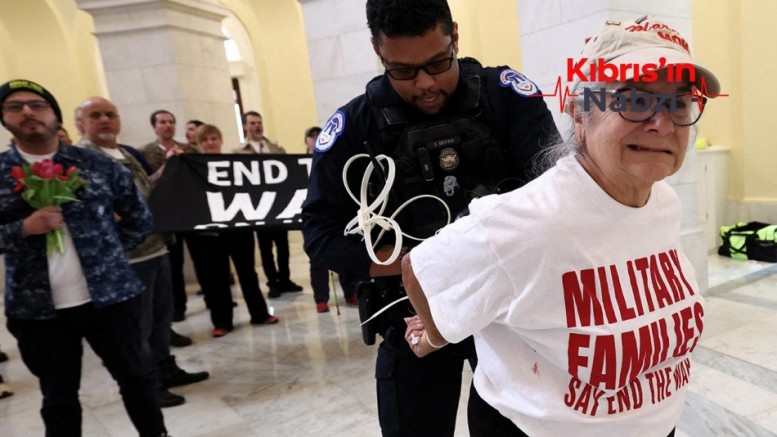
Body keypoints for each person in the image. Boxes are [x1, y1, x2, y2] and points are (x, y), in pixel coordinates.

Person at [400, 16, 720, 437]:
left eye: (678, 103)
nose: (662, 123)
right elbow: (420, 269)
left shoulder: (663, 200)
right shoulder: (532, 220)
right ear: (580, 113)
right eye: (636, 99)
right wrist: (436, 334)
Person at [301, 1, 558, 435]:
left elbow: (557, 196)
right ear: (377, 51)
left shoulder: (505, 96)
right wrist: (413, 264)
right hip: (410, 315)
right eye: (403, 71)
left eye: (438, 63)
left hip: (507, 313)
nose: (425, 84)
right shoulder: (354, 127)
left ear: (454, 35)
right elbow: (319, 234)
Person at [0, 79, 169, 436]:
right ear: (4, 118)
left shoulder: (96, 165)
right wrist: (23, 228)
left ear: (55, 115)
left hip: (111, 299)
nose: (28, 112)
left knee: (138, 379)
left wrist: (108, 254)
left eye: (37, 105)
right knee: (58, 396)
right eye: (15, 107)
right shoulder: (1, 173)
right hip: (38, 309)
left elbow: (140, 219)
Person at [76, 96, 210, 407]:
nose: (105, 120)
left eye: (110, 114)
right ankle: (149, 384)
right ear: (80, 123)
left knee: (161, 319)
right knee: (138, 326)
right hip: (127, 257)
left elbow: (145, 189)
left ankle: (165, 369)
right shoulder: (82, 158)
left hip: (156, 247)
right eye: (96, 115)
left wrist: (165, 174)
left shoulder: (126, 153)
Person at [193, 123, 280, 337]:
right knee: (217, 277)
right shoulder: (192, 167)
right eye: (205, 140)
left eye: (213, 138)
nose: (210, 143)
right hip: (209, 233)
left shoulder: (235, 164)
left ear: (221, 141)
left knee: (248, 272)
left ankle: (259, 314)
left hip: (238, 229)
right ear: (198, 143)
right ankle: (222, 322)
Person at [140, 110, 201, 328]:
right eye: (162, 122)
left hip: (191, 212)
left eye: (171, 122)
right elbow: (145, 183)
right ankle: (178, 307)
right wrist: (168, 164)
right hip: (165, 216)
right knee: (174, 263)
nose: (167, 125)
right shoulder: (144, 153)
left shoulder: (190, 149)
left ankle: (213, 300)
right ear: (154, 126)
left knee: (202, 259)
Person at [237, 110, 303, 298]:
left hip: (278, 204)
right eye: (252, 123)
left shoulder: (276, 149)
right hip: (258, 207)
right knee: (265, 248)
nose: (257, 126)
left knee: (283, 247)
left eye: (259, 122)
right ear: (245, 126)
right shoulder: (239, 152)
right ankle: (272, 282)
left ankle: (285, 279)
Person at [304, 126, 358, 313]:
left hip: (337, 211)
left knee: (345, 249)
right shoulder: (299, 163)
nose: (316, 139)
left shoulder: (332, 157)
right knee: (317, 258)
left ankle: (350, 291)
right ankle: (321, 298)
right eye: (311, 137)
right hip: (313, 214)